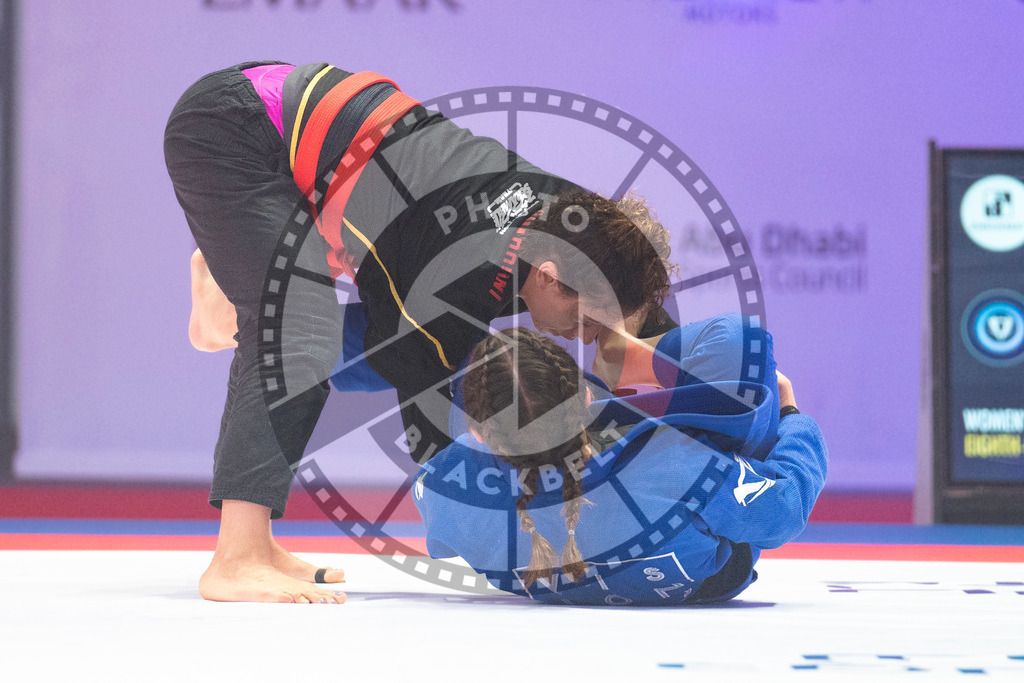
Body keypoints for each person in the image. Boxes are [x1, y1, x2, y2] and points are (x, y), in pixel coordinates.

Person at [164, 62, 671, 603]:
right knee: (301, 337)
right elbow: (423, 404)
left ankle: (237, 289)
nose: (589, 337)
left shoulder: (574, 217)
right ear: (549, 278)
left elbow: (629, 279)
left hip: (334, 151)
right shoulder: (463, 276)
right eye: (587, 322)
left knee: (396, 339)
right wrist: (497, 508)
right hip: (236, 130)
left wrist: (712, 386)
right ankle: (236, 558)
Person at [411, 316, 827, 605]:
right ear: (587, 400)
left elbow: (441, 517)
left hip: (546, 542)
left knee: (472, 397)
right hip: (708, 571)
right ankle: (621, 363)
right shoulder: (680, 467)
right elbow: (785, 509)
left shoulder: (449, 490)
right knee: (743, 341)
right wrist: (792, 418)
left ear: (482, 437)